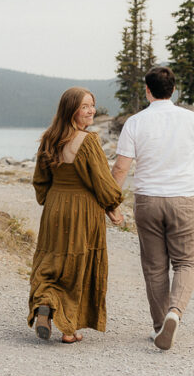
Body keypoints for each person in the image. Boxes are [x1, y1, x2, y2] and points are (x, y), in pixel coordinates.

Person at [111, 66, 194, 350]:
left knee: (154, 267)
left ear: (147, 90)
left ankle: (159, 328)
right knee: (186, 261)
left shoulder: (135, 122)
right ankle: (174, 313)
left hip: (148, 201)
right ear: (174, 90)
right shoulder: (192, 119)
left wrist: (111, 202)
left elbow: (120, 168)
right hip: (183, 198)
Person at [28, 87, 125, 344]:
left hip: (55, 207)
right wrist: (112, 206)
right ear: (71, 109)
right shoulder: (88, 141)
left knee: (51, 261)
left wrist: (50, 201)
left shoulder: (49, 139)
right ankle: (68, 329)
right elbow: (102, 181)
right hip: (83, 209)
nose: (91, 110)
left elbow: (40, 181)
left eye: (92, 105)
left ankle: (45, 304)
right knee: (76, 265)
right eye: (84, 106)